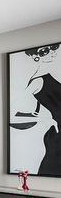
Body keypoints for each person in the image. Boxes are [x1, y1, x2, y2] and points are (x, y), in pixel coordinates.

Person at [10, 43, 61, 175]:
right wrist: (45, 119)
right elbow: (11, 115)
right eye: (45, 51)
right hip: (57, 134)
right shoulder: (38, 81)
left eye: (54, 48)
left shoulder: (53, 76)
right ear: (34, 56)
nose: (52, 52)